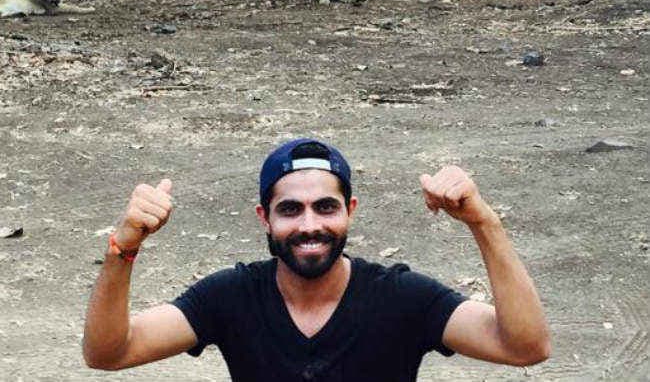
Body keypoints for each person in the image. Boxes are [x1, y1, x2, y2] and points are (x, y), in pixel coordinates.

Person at [83, 138, 551, 381]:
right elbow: (108, 353)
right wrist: (124, 246)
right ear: (265, 219)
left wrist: (483, 222)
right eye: (290, 210)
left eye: (325, 207)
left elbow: (525, 347)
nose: (309, 225)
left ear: (349, 211)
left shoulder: (400, 298)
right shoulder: (231, 297)